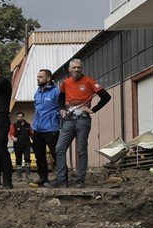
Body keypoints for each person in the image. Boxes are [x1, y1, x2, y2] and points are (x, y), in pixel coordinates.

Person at [50, 59, 112, 188]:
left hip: (83, 120)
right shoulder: (66, 83)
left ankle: (80, 179)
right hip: (68, 120)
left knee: (81, 150)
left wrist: (93, 109)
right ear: (69, 69)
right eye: (74, 68)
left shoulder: (89, 81)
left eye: (79, 67)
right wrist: (61, 109)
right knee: (59, 149)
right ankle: (62, 180)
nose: (76, 70)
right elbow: (60, 97)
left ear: (81, 68)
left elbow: (105, 96)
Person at [32, 69, 61, 187]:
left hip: (51, 129)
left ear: (48, 78)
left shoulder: (56, 92)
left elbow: (62, 107)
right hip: (37, 129)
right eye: (37, 76)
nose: (38, 78)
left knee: (56, 154)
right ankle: (43, 178)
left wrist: (56, 118)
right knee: (39, 155)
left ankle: (62, 178)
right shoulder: (37, 93)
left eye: (41, 77)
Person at [10, 112, 33, 181]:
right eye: (18, 116)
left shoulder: (28, 125)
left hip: (26, 145)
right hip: (18, 145)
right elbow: (11, 134)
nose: (20, 118)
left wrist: (33, 140)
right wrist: (13, 138)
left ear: (23, 117)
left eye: (21, 116)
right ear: (17, 117)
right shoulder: (14, 125)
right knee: (18, 160)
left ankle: (28, 175)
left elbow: (31, 134)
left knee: (27, 159)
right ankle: (19, 177)